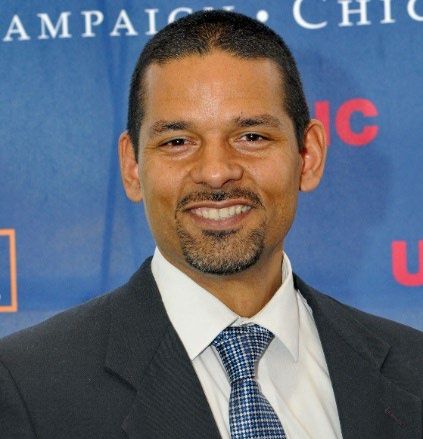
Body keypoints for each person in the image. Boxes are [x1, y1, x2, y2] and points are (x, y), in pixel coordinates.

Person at [0, 10, 421, 439]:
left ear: (308, 156)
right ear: (132, 166)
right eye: (177, 142)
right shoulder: (28, 388)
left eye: (251, 137)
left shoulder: (413, 368)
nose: (216, 172)